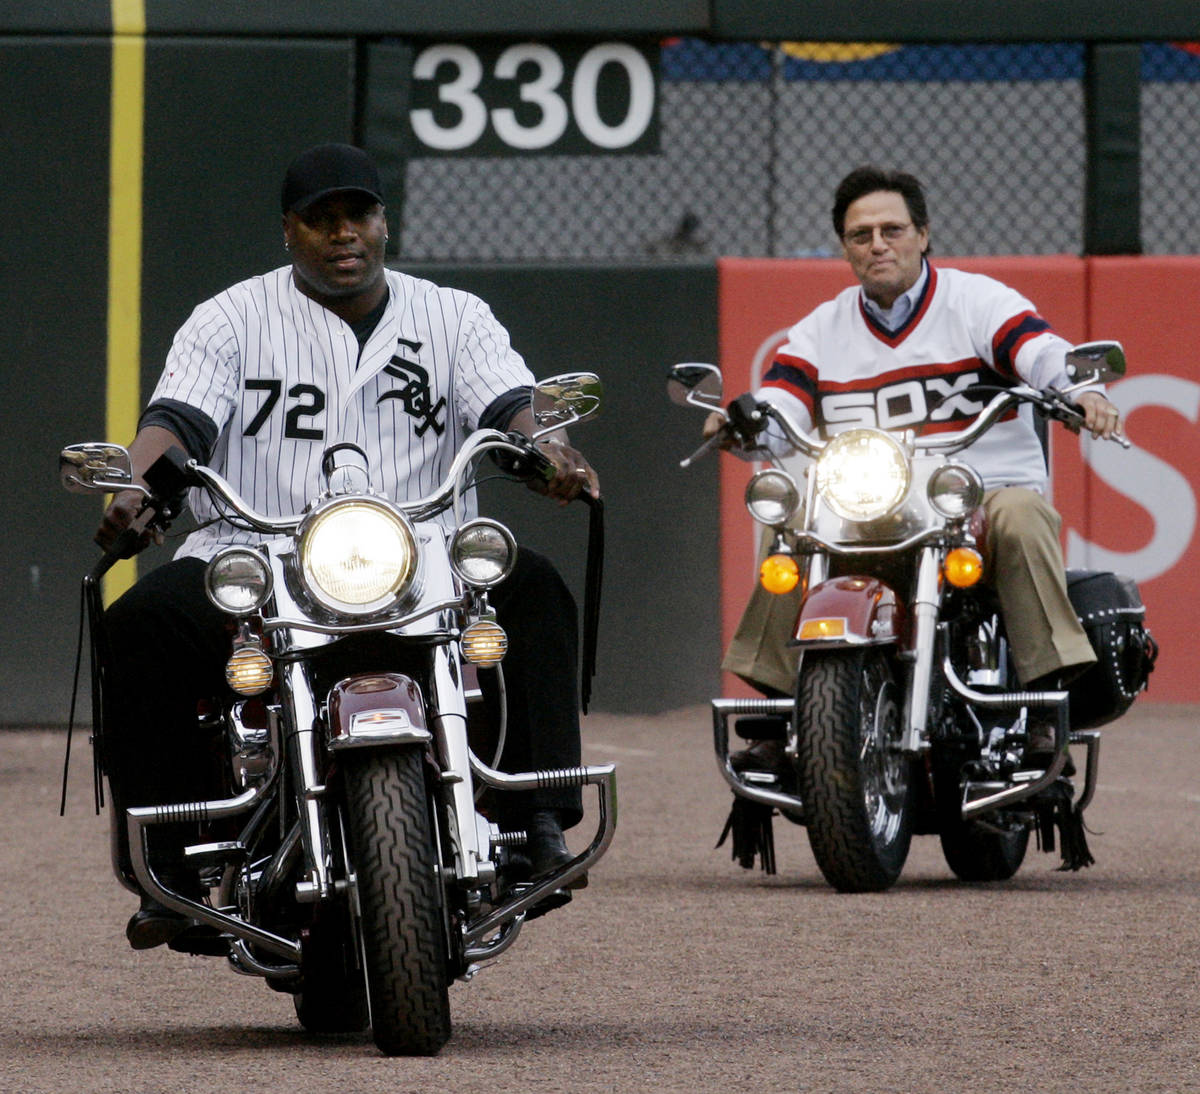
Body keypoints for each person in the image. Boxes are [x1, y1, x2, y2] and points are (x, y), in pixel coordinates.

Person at [96, 143, 598, 948]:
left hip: (422, 549)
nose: (343, 234)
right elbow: (179, 421)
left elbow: (511, 401)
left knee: (530, 584)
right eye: (320, 219)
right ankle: (177, 858)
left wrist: (550, 449)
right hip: (259, 548)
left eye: (357, 214)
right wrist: (136, 485)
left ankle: (536, 816)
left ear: (383, 221)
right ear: (287, 231)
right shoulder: (230, 318)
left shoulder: (452, 315)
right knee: (141, 621)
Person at [707, 164, 1123, 771]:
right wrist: (740, 422)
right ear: (845, 249)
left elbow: (1037, 351)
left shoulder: (977, 301)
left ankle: (1043, 703)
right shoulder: (820, 330)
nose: (878, 244)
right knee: (792, 523)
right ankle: (780, 709)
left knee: (1024, 515)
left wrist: (1078, 390)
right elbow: (780, 402)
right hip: (871, 506)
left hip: (979, 497)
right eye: (861, 234)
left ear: (923, 234)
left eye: (892, 229)